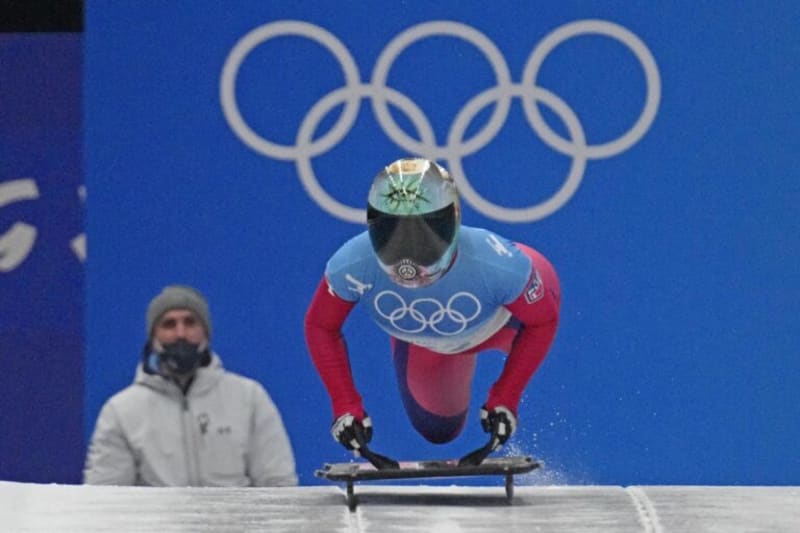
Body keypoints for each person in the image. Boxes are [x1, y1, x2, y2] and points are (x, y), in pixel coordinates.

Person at [304, 157, 561, 463]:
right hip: (431, 338)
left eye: (424, 235)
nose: (408, 255)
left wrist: (507, 396)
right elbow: (320, 326)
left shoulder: (501, 268)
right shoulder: (351, 264)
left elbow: (542, 322)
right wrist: (344, 404)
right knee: (438, 429)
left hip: (507, 319)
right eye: (392, 234)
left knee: (539, 287)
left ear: (453, 222)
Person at [84, 285, 298, 486]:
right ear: (153, 337)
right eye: (169, 324)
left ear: (205, 332)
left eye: (190, 322)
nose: (181, 334)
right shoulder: (122, 411)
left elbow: (278, 485)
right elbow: (106, 500)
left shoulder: (249, 398)